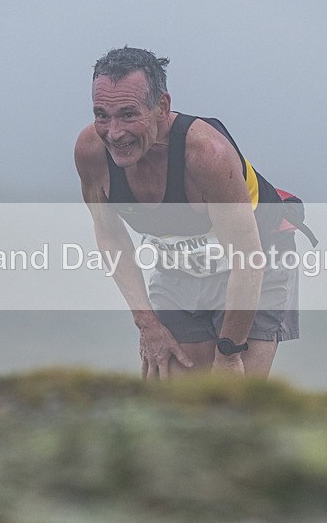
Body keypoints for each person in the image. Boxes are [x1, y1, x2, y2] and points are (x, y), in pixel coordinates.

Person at [74, 47, 300, 380]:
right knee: (178, 401)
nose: (114, 132)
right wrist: (147, 324)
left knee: (232, 401)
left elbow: (248, 259)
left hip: (257, 258)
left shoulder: (207, 153)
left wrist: (229, 354)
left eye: (127, 114)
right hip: (179, 266)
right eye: (102, 114)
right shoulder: (91, 152)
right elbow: (109, 234)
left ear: (162, 107)